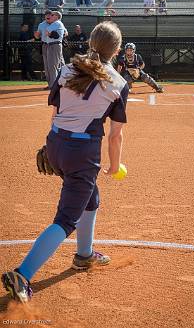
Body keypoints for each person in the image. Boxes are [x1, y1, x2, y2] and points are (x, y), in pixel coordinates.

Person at [1, 21, 129, 304]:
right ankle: (23, 273)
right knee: (65, 219)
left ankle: (84, 255)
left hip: (56, 143)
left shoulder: (66, 69)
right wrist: (114, 165)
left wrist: (50, 145)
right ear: (117, 50)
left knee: (90, 198)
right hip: (81, 153)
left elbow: (57, 111)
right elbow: (116, 136)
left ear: (90, 42)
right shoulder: (117, 83)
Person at [34, 10, 67, 89]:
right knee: (49, 66)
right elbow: (42, 34)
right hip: (47, 45)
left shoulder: (57, 23)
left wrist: (55, 34)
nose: (50, 16)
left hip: (54, 45)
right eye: (48, 15)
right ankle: (52, 85)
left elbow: (47, 32)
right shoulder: (44, 24)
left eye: (52, 15)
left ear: (56, 17)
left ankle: (55, 85)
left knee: (53, 66)